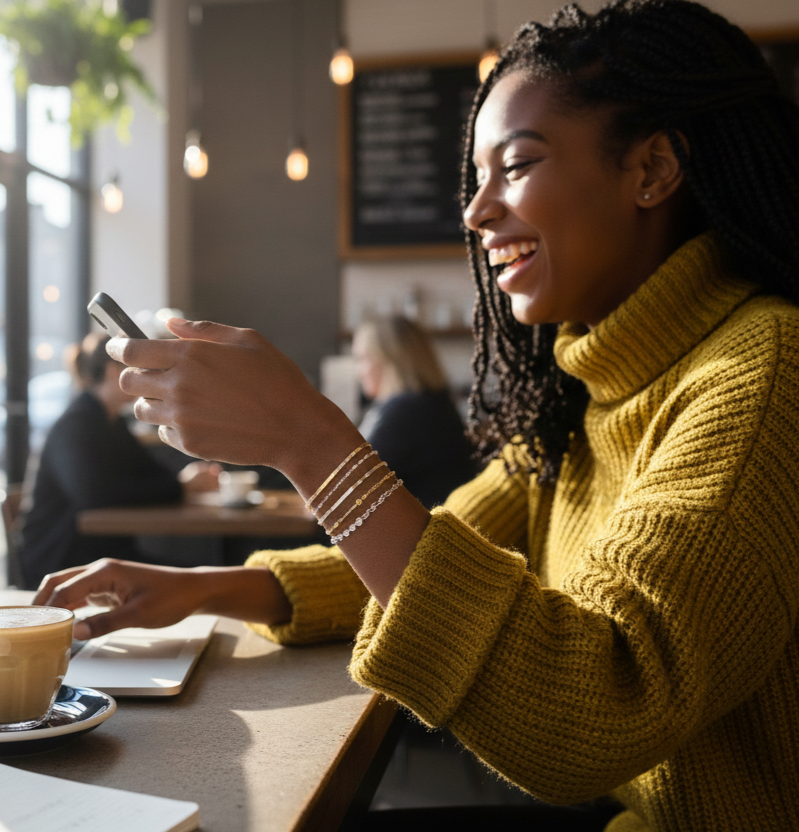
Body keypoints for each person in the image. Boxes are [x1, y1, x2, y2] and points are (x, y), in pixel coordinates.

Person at [34, 0, 799, 828]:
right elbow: (434, 559)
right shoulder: (581, 398)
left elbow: (596, 713)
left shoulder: (762, 373)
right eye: (478, 179)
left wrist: (310, 439)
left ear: (651, 170)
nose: (474, 212)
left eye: (517, 164)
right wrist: (197, 589)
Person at [17, 333, 220, 589]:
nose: (147, 379)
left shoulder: (111, 421)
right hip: (62, 561)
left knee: (204, 577)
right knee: (200, 581)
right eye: (140, 370)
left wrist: (184, 482)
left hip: (103, 554)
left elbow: (152, 472)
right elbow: (94, 494)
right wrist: (182, 486)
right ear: (115, 371)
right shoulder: (77, 424)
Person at [352, 315, 477, 508]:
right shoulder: (424, 403)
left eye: (363, 359)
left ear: (388, 360)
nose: (358, 371)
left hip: (423, 533)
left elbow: (353, 480)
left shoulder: (408, 410)